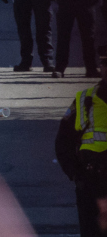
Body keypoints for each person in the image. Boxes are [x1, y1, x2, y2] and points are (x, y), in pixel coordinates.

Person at [57, 46, 107, 237]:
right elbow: (63, 143)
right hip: (91, 184)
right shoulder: (85, 99)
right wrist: (77, 176)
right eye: (105, 64)